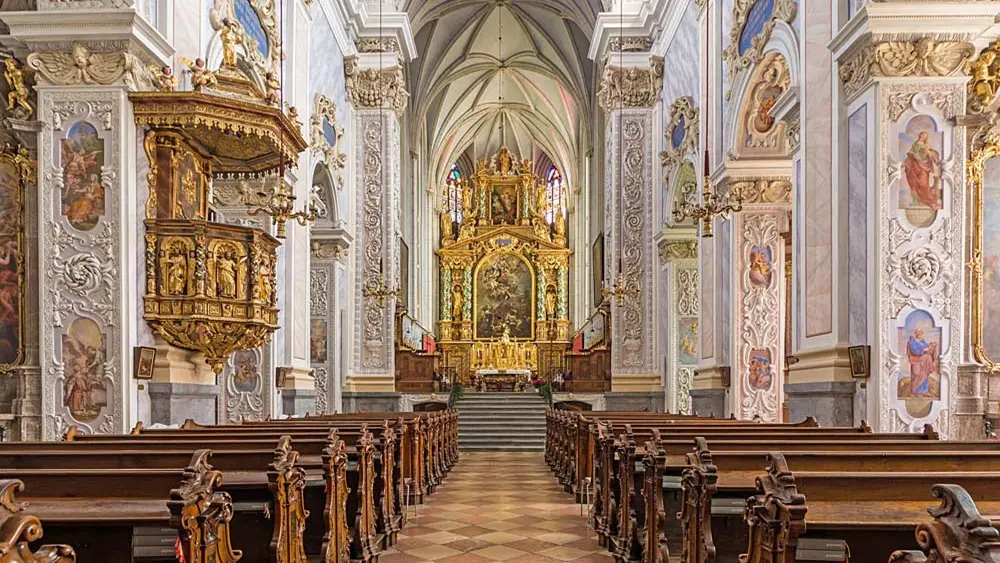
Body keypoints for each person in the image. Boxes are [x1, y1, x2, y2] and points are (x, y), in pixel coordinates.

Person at [902, 131, 942, 210]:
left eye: (925, 136)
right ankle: (917, 201)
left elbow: (934, 155)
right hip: (915, 166)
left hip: (924, 167)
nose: (923, 137)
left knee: (923, 184)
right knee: (915, 184)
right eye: (923, 135)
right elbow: (911, 155)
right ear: (919, 135)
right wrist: (906, 161)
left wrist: (929, 153)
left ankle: (929, 201)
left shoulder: (927, 145)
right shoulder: (915, 144)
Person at [907, 328, 938, 396]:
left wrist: (931, 345)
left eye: (921, 333)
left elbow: (927, 347)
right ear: (916, 333)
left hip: (924, 362)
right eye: (919, 333)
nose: (921, 334)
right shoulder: (912, 341)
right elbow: (914, 351)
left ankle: (924, 391)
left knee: (924, 374)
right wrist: (923, 350)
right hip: (916, 360)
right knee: (916, 374)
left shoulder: (923, 341)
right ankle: (916, 391)